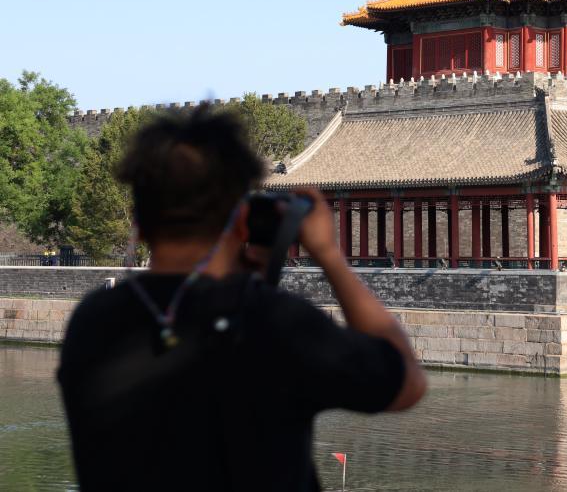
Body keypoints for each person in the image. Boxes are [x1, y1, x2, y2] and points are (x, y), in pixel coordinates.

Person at [58, 106, 426, 491]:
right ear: (240, 219)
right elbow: (407, 384)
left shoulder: (93, 321)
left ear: (140, 223)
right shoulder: (280, 324)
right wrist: (329, 255)